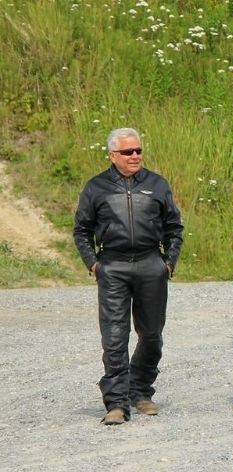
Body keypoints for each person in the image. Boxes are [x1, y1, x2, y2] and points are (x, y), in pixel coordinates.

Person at [73, 128, 184, 425]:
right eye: (127, 152)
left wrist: (168, 263)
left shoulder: (157, 184)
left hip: (151, 264)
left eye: (138, 151)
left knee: (151, 334)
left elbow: (174, 228)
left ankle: (141, 390)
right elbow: (82, 230)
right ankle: (117, 403)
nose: (135, 156)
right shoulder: (96, 187)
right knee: (114, 337)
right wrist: (94, 264)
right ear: (112, 155)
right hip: (113, 266)